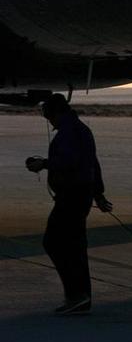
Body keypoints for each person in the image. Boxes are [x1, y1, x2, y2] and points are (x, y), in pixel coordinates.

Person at [25, 94, 113, 315]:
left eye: (48, 116)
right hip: (80, 196)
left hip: (71, 197)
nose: (49, 121)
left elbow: (69, 161)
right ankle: (81, 298)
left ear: (56, 112)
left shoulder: (69, 133)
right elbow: (93, 163)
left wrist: (43, 164)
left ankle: (76, 295)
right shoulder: (81, 129)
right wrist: (99, 195)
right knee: (75, 247)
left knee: (53, 242)